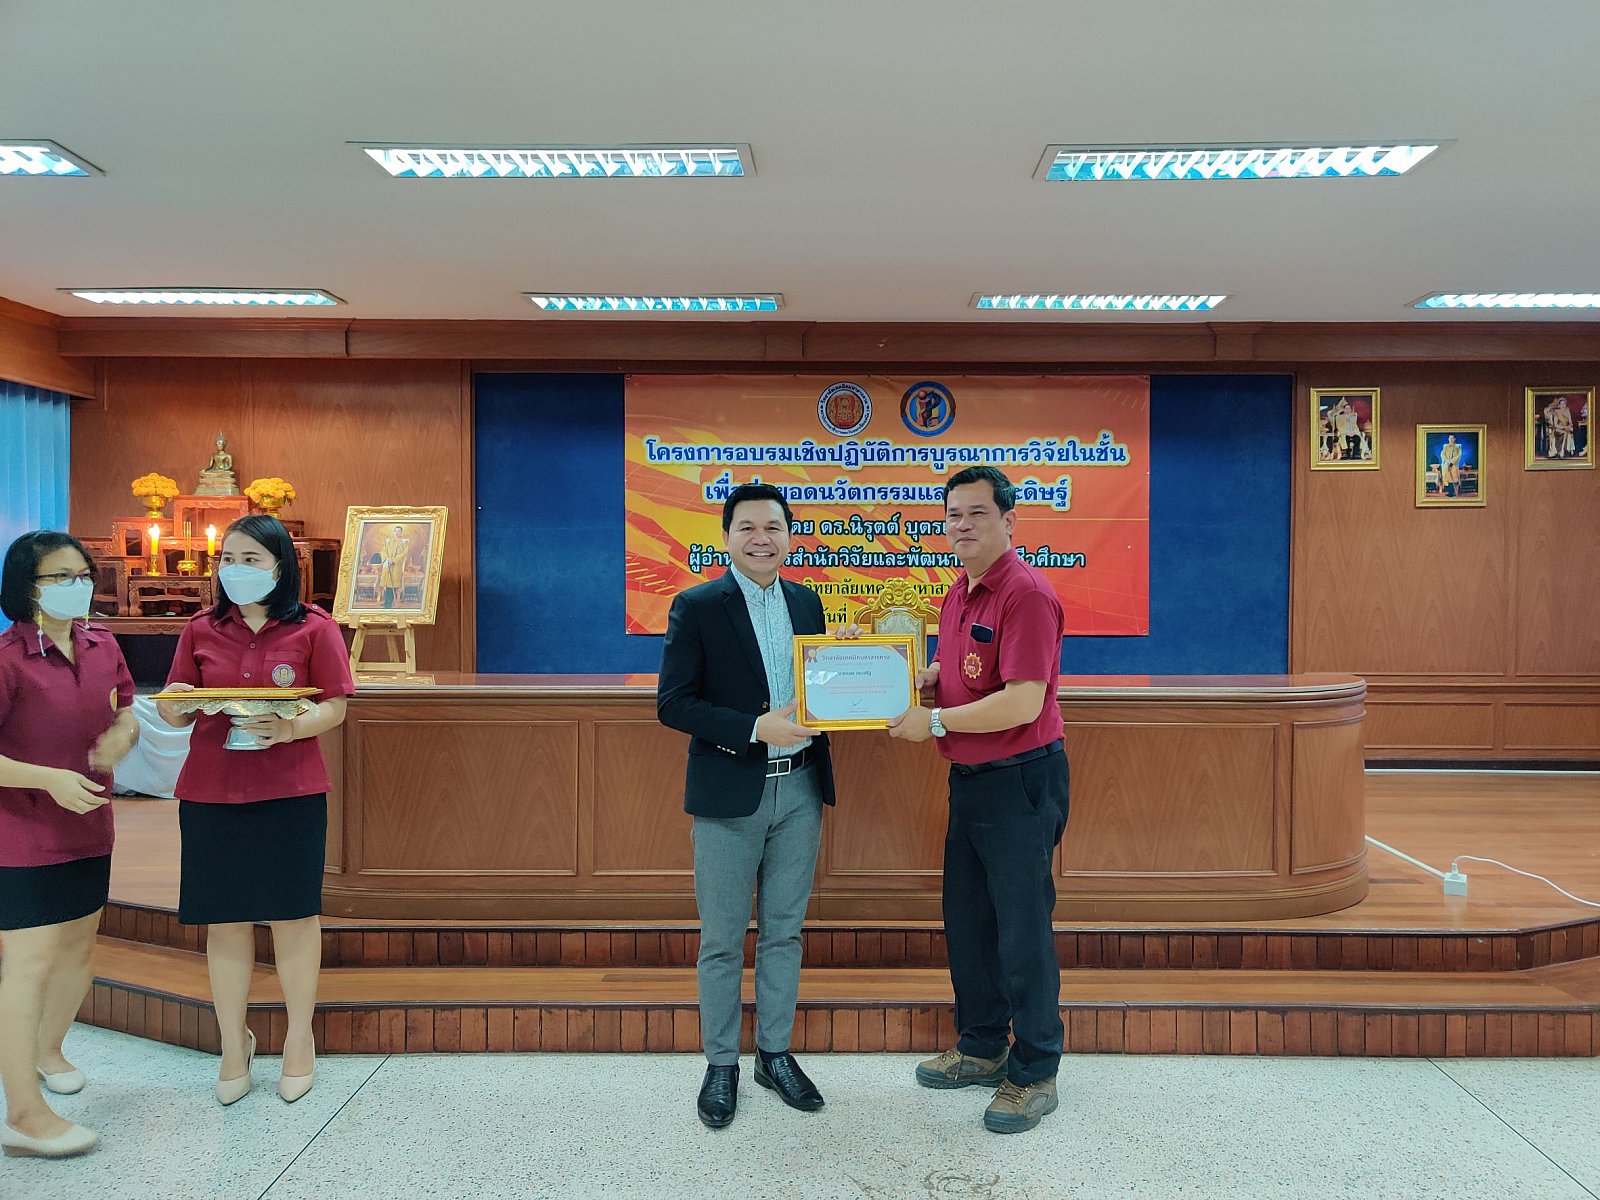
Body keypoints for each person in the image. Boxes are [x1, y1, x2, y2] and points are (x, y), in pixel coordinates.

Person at [889, 466, 1069, 1135]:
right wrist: (929, 684)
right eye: (952, 515)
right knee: (968, 920)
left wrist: (934, 721)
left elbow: (1023, 701)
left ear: (1009, 521)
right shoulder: (959, 590)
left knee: (1021, 929)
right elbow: (970, 676)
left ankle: (1036, 1070)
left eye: (977, 513)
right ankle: (983, 1044)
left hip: (1020, 780)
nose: (961, 525)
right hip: (969, 780)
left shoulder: (1025, 593)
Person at [155, 515, 353, 1106]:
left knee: (294, 918)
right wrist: (176, 706)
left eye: (251, 560)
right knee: (226, 921)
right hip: (211, 792)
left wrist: (289, 728)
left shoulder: (315, 627)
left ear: (279, 566)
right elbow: (175, 706)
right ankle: (232, 1044)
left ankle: (298, 1038)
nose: (236, 570)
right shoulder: (201, 628)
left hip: (290, 792)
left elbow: (335, 707)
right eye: (229, 559)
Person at [657, 482, 838, 1129]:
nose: (762, 539)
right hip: (731, 792)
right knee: (723, 939)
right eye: (748, 528)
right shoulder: (697, 606)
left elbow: (822, 687)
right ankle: (721, 1064)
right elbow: (673, 703)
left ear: (790, 536)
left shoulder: (807, 601)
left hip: (801, 791)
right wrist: (755, 728)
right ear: (726, 538)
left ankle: (774, 1055)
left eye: (774, 528)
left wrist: (857, 672)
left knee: (784, 932)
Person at [0, 532, 138, 1158]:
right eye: (59, 576)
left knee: (81, 945)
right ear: (26, 587)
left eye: (82, 574)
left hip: (89, 823)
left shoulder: (101, 643)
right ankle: (23, 1115)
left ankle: (47, 1049)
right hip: (23, 831)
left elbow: (127, 709)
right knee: (28, 963)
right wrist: (47, 779)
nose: (75, 586)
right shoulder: (8, 658)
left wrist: (125, 735)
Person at [378, 525, 409, 608]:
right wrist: (387, 559)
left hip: (396, 566)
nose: (396, 532)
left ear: (401, 532)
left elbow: (404, 554)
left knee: (391, 584)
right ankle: (386, 602)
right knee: (387, 584)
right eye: (395, 531)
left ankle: (389, 603)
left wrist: (394, 560)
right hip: (388, 564)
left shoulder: (404, 542)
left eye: (398, 531)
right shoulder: (388, 541)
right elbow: (383, 550)